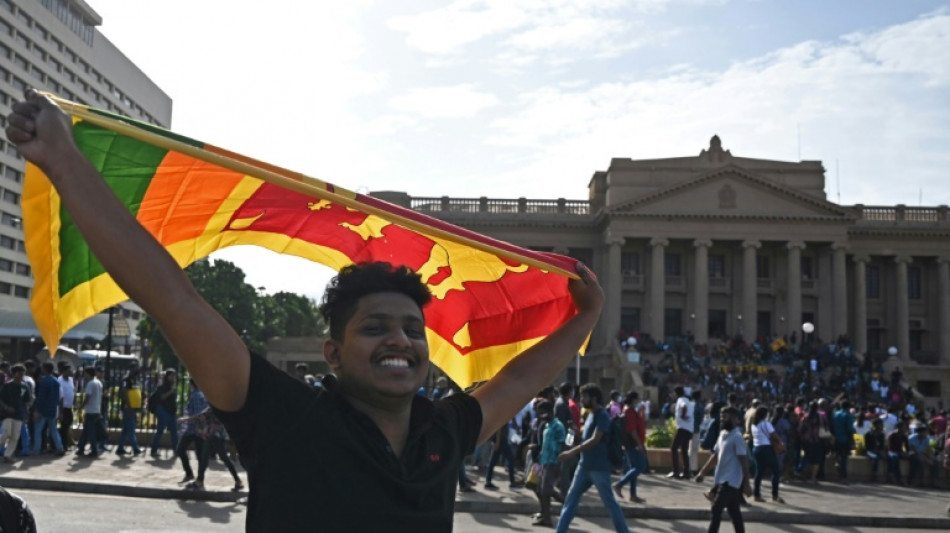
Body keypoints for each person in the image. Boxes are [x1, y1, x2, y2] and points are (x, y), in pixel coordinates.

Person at [5, 90, 604, 532]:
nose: (400, 340)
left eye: (412, 329)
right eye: (375, 327)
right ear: (332, 353)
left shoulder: (441, 430)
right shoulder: (283, 417)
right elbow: (170, 296)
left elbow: (523, 377)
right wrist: (62, 161)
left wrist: (585, 318)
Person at [555, 384, 630, 533]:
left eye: (584, 396)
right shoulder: (590, 415)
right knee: (571, 499)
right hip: (584, 466)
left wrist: (571, 453)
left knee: (609, 503)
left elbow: (595, 440)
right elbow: (586, 438)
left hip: (599, 468)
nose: (581, 399)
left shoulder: (602, 415)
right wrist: (576, 434)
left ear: (594, 398)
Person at [694, 406, 753, 533]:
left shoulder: (737, 437)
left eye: (724, 417)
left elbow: (744, 461)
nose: (721, 420)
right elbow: (715, 457)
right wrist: (702, 472)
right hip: (721, 479)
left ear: (734, 419)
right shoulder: (722, 435)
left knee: (716, 508)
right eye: (721, 417)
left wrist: (747, 484)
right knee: (734, 512)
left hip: (731, 482)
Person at [532, 400, 564, 527]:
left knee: (545, 491)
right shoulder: (546, 425)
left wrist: (560, 463)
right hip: (542, 461)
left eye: (541, 413)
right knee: (536, 486)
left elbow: (566, 443)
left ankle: (547, 518)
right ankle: (544, 512)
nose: (540, 416)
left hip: (553, 462)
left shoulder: (558, 425)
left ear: (549, 412)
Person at [612, 391, 647, 504]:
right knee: (640, 466)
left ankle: (633, 495)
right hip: (633, 444)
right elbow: (632, 430)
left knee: (634, 468)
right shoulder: (629, 412)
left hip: (632, 444)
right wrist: (639, 444)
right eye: (638, 399)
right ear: (633, 399)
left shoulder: (631, 410)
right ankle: (619, 484)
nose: (639, 401)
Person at [750, 406, 784, 503]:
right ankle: (775, 495)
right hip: (766, 449)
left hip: (756, 448)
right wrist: (781, 443)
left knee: (759, 472)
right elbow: (773, 435)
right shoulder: (766, 424)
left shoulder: (754, 425)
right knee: (776, 471)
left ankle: (756, 495)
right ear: (765, 414)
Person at [0, 365, 32, 463]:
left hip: (19, 414)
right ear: (14, 374)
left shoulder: (25, 386)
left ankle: (7, 455)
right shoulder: (7, 386)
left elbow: (27, 400)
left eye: (23, 374)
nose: (21, 376)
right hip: (7, 415)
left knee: (15, 437)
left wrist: (26, 412)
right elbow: (1, 399)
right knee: (6, 433)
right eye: (19, 374)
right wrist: (6, 407)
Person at [31, 362, 64, 456]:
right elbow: (57, 397)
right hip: (53, 409)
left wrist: (37, 410)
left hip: (43, 410)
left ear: (45, 369)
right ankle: (60, 447)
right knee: (53, 429)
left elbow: (41, 397)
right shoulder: (56, 381)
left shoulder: (43, 381)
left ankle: (37, 449)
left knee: (38, 430)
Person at [149, 369, 179, 458]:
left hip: (171, 412)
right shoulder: (163, 386)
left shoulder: (172, 386)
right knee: (160, 431)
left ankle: (176, 450)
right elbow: (162, 397)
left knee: (174, 432)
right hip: (164, 412)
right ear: (167, 376)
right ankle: (153, 450)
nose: (173, 377)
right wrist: (171, 391)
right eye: (172, 376)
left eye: (174, 376)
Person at [115, 365, 143, 456]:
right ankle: (136, 448)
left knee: (126, 429)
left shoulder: (135, 379)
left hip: (134, 408)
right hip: (128, 408)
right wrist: (129, 405)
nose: (137, 371)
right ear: (131, 369)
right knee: (131, 429)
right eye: (135, 368)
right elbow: (123, 393)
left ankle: (120, 448)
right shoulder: (126, 380)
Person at [75, 367, 102, 458]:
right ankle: (81, 448)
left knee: (90, 432)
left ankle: (94, 450)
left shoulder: (90, 384)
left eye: (85, 373)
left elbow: (87, 397)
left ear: (89, 374)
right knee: (86, 430)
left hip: (90, 411)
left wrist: (81, 407)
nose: (84, 375)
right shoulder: (98, 382)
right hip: (96, 410)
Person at [669, 386, 694, 479]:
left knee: (673, 448)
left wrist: (683, 415)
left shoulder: (681, 400)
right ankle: (686, 472)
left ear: (676, 393)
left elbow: (684, 406)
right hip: (689, 429)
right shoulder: (688, 400)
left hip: (682, 428)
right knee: (684, 450)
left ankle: (675, 471)